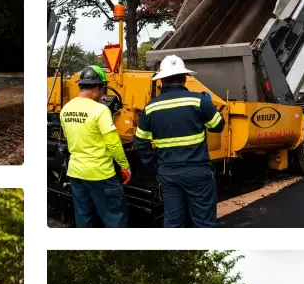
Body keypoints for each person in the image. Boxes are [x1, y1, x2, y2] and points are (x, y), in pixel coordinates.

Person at [135, 55, 225, 231]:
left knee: (173, 223)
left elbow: (141, 140)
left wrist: (154, 164)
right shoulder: (198, 101)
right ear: (184, 78)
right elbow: (218, 126)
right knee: (204, 223)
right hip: (197, 171)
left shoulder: (151, 107)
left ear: (161, 80)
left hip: (168, 172)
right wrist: (209, 106)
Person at [60, 65, 131, 230]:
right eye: (103, 89)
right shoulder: (100, 110)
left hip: (76, 172)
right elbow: (113, 142)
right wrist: (124, 166)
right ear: (98, 88)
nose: (104, 94)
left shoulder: (65, 109)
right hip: (100, 174)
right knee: (115, 218)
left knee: (84, 217)